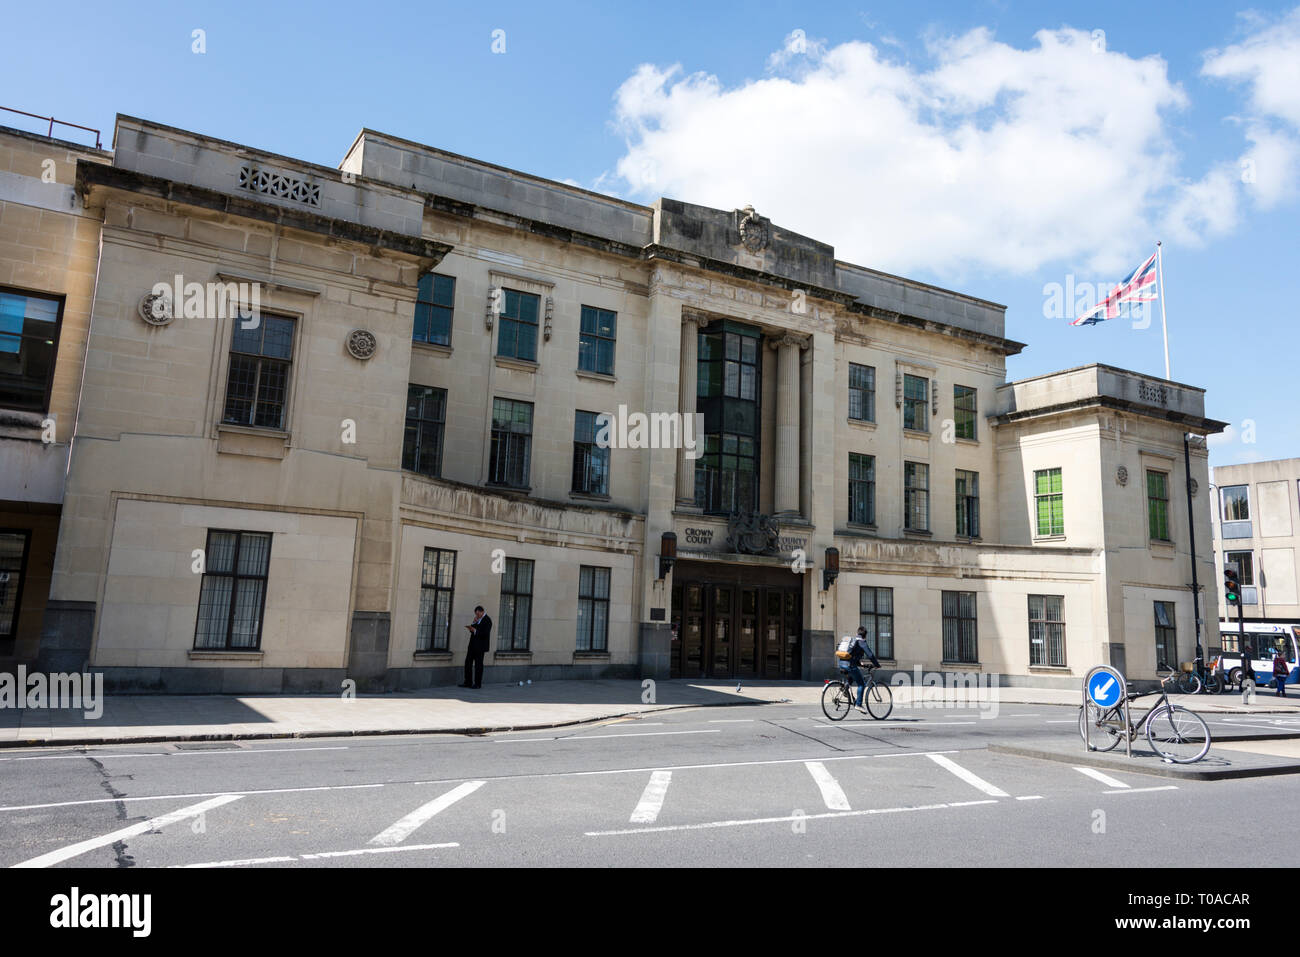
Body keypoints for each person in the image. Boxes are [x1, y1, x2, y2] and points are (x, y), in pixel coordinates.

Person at [847, 626, 881, 712]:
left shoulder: (854, 641)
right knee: (861, 683)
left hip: (843, 663)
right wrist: (876, 664)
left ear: (857, 633)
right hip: (850, 665)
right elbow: (870, 655)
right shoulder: (861, 642)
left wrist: (861, 664)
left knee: (853, 675)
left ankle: (845, 689)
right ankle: (858, 704)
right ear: (865, 636)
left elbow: (853, 655)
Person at [460, 606, 492, 689]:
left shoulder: (487, 620)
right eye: (476, 614)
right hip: (472, 646)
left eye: (478, 614)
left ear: (482, 612)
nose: (477, 615)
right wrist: (473, 624)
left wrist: (475, 631)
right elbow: (473, 631)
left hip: (480, 647)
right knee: (468, 663)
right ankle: (468, 682)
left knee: (478, 665)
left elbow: (485, 633)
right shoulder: (477, 619)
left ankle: (477, 684)